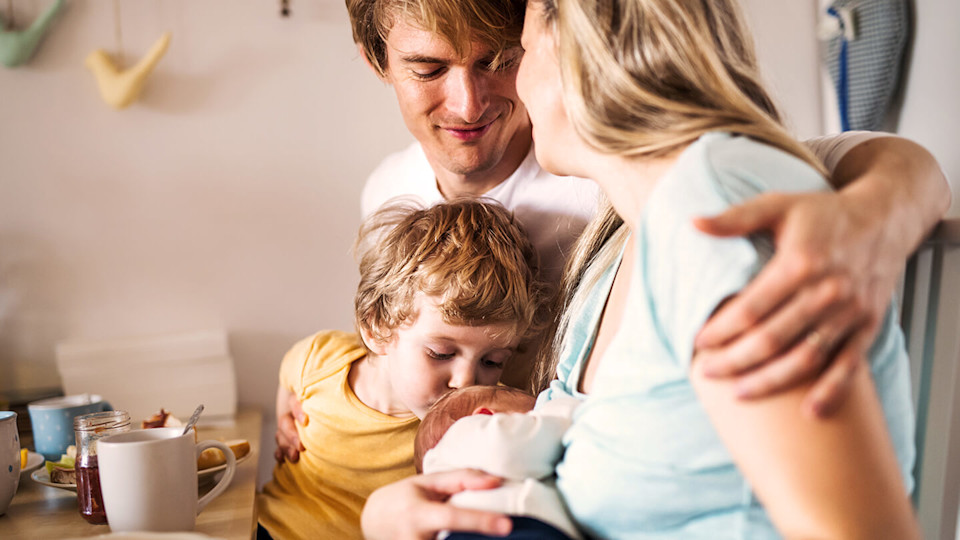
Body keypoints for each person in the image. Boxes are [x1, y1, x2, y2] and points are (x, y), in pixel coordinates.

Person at [275, 0, 950, 463]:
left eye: (498, 59)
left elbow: (861, 159)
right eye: (429, 69)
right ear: (377, 62)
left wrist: (872, 223)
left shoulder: (612, 170)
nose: (469, 103)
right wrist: (315, 377)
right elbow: (396, 342)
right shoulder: (387, 192)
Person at [256, 199, 549, 540]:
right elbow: (288, 375)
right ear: (378, 328)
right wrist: (285, 423)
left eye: (492, 361)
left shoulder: (469, 424)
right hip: (270, 528)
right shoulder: (321, 358)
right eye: (440, 353)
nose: (466, 382)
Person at [414, 385, 581, 540]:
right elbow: (508, 449)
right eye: (533, 417)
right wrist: (559, 411)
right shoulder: (464, 435)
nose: (539, 421)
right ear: (486, 417)